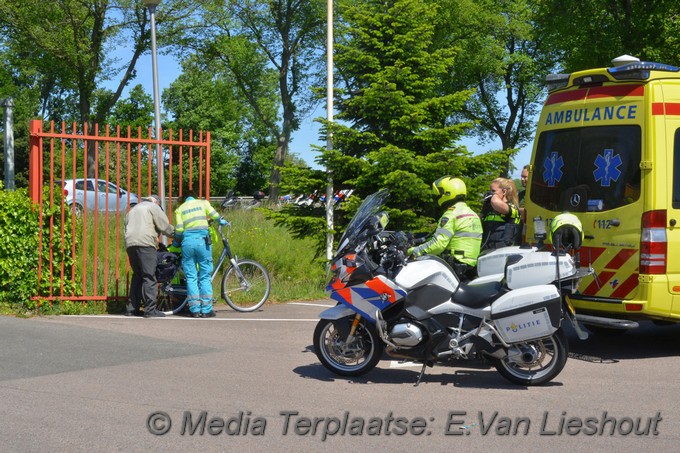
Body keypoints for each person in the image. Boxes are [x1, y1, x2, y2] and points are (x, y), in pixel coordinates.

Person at [408, 176, 483, 280]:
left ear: (447, 193)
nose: (437, 196)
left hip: (454, 267)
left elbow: (438, 244)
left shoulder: (451, 214)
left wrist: (413, 251)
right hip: (470, 268)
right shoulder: (472, 214)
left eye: (439, 193)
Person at [173, 193, 228, 318]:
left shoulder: (179, 209)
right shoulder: (203, 203)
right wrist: (221, 221)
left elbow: (180, 229)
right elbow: (214, 215)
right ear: (196, 197)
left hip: (187, 243)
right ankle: (206, 310)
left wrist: (176, 243)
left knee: (191, 277)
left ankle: (195, 310)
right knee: (204, 275)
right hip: (202, 241)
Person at [124, 194, 175, 317]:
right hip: (145, 243)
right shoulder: (153, 207)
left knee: (137, 275)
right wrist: (175, 234)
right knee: (149, 276)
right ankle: (150, 309)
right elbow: (164, 226)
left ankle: (132, 308)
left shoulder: (133, 209)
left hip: (130, 244)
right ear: (157, 202)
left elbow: (125, 227)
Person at [481, 177, 521, 250]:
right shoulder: (490, 209)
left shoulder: (512, 208)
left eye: (493, 191)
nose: (490, 194)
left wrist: (493, 196)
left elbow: (496, 202)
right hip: (487, 249)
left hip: (503, 251)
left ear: (504, 192)